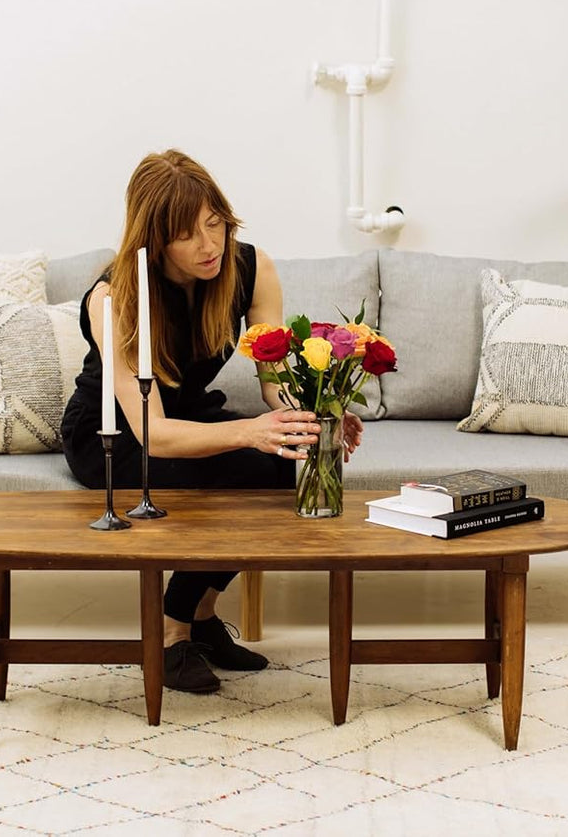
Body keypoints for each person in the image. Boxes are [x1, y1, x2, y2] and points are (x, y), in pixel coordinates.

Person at [61, 149, 364, 694]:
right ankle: (172, 633)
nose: (209, 246)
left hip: (193, 415)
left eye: (215, 224)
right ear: (154, 240)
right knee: (250, 465)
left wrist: (318, 414)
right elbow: (151, 430)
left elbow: (273, 384)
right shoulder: (115, 297)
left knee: (280, 465)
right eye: (187, 234)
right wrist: (250, 432)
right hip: (114, 434)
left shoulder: (252, 268)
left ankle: (200, 616)